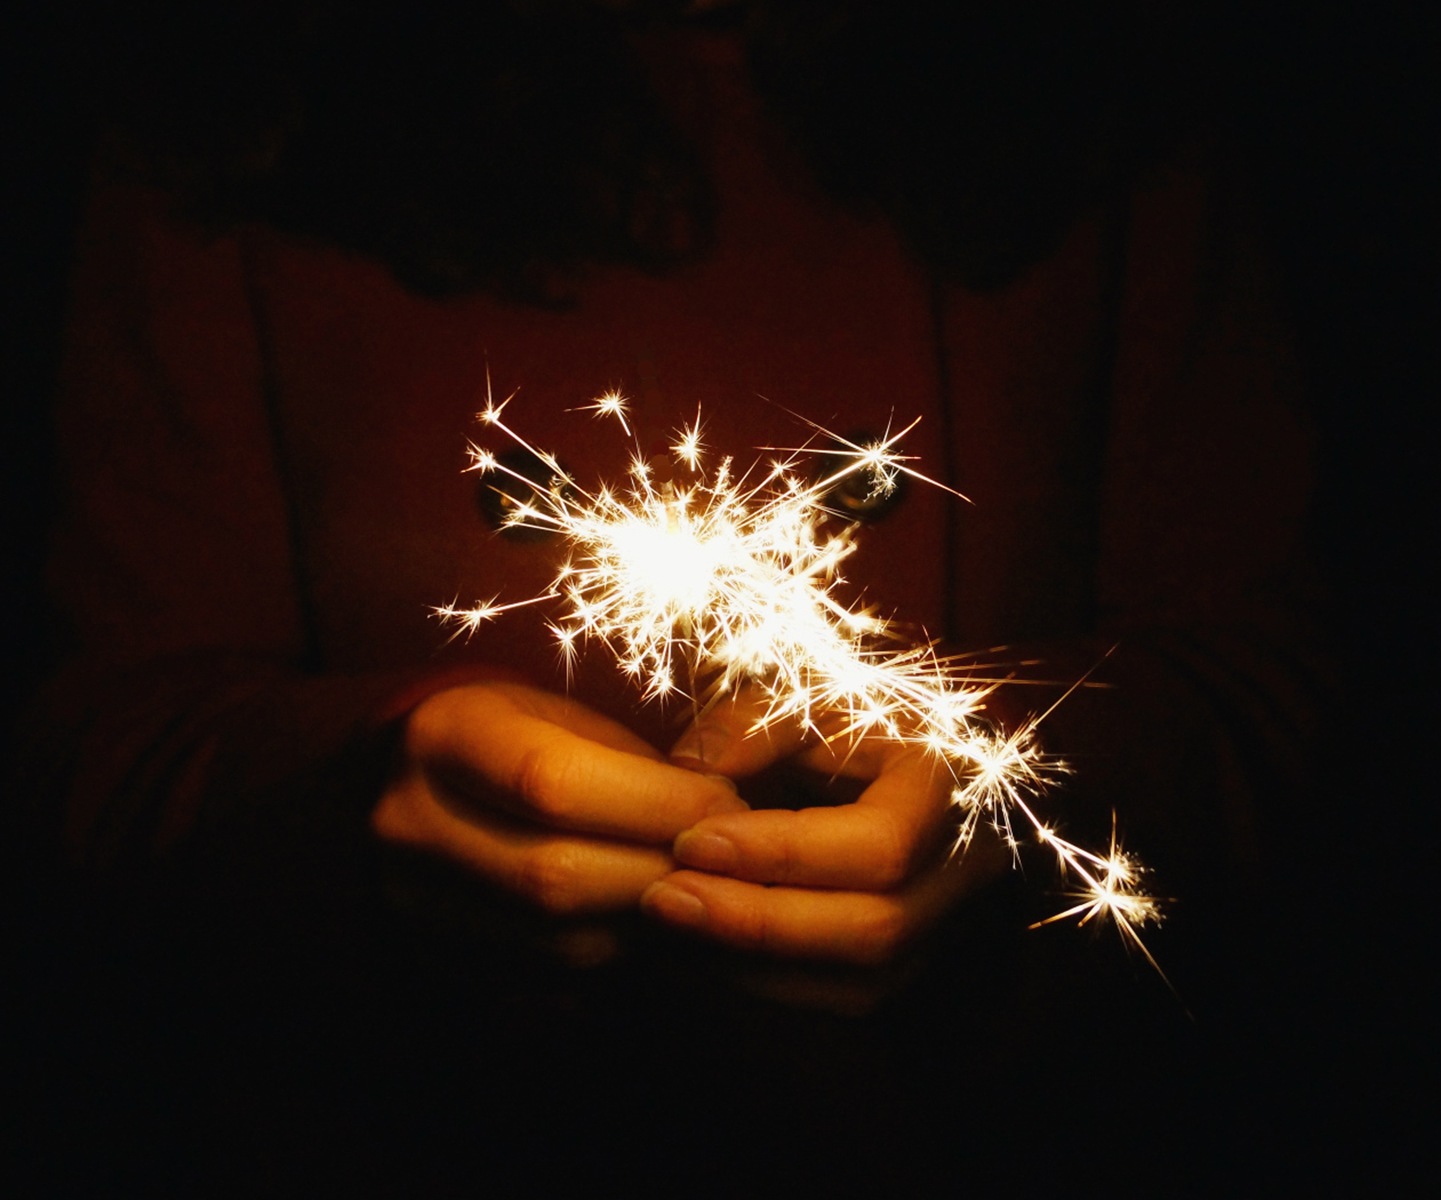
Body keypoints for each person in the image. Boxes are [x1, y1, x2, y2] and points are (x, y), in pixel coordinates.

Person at [18, 2, 1320, 1188]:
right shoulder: (228, 110)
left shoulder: (1110, 94)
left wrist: (1025, 780)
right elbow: (96, 752)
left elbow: (1285, 695)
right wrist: (351, 794)